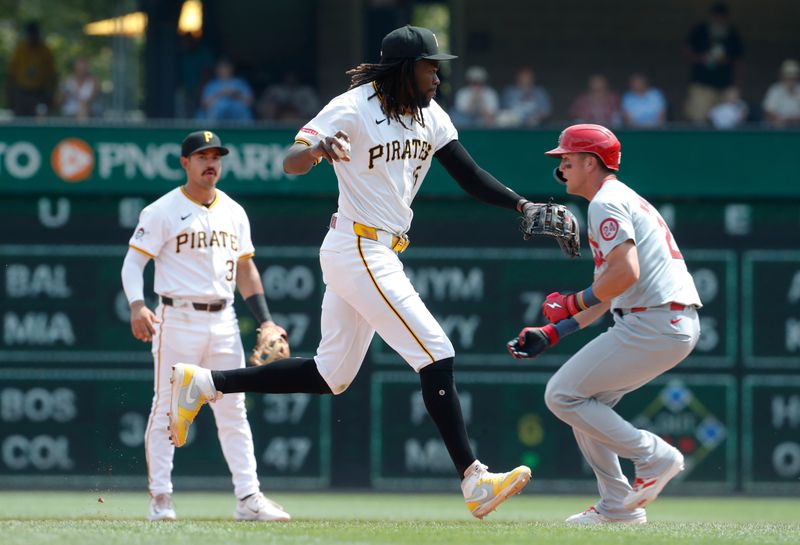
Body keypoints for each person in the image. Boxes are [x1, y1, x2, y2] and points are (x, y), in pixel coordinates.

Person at [168, 25, 543, 520]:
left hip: (378, 249)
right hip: (359, 245)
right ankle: (474, 479)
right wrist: (318, 149)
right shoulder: (353, 105)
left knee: (331, 375)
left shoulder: (430, 114)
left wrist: (522, 205)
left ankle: (204, 383)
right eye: (430, 65)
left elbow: (468, 174)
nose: (437, 75)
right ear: (404, 68)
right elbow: (290, 162)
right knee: (436, 351)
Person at [508, 124, 702, 524]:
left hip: (655, 321)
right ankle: (617, 507)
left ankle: (654, 456)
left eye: (567, 159)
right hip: (662, 321)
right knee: (585, 401)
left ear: (590, 162)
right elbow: (609, 290)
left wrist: (572, 301)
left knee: (562, 395)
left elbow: (624, 274)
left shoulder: (605, 203)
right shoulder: (617, 199)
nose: (561, 169)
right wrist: (554, 332)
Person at [121, 130, 290, 522]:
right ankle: (160, 498)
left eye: (216, 156)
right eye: (202, 156)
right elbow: (133, 263)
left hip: (225, 320)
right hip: (176, 317)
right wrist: (136, 305)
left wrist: (265, 319)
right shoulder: (161, 210)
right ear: (185, 163)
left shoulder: (234, 211)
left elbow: (246, 268)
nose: (210, 162)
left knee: (233, 410)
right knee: (167, 409)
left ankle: (249, 498)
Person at [683, 2, 744, 124]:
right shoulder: (700, 31)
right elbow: (686, 50)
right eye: (716, 15)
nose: (719, 19)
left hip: (726, 85)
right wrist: (701, 58)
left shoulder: (732, 34)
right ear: (711, 16)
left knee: (727, 120)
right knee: (699, 119)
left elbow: (739, 61)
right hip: (702, 85)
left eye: (722, 16)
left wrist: (738, 84)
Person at [6, 21, 57, 117]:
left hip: (39, 92)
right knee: (20, 119)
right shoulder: (20, 50)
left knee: (39, 119)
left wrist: (51, 94)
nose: (33, 37)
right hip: (21, 92)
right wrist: (10, 94)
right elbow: (12, 74)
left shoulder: (45, 51)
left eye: (35, 34)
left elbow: (52, 75)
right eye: (31, 34)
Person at [256, 71, 320, 123]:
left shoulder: (306, 92)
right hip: (275, 124)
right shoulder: (274, 90)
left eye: (293, 75)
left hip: (300, 124)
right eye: (288, 75)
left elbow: (315, 111)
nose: (291, 78)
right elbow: (260, 108)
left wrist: (296, 112)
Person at [762, 59, 800, 128]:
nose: (791, 80)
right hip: (778, 129)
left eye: (793, 77)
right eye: (788, 76)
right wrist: (780, 120)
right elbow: (768, 111)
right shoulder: (775, 89)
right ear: (783, 76)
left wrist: (791, 120)